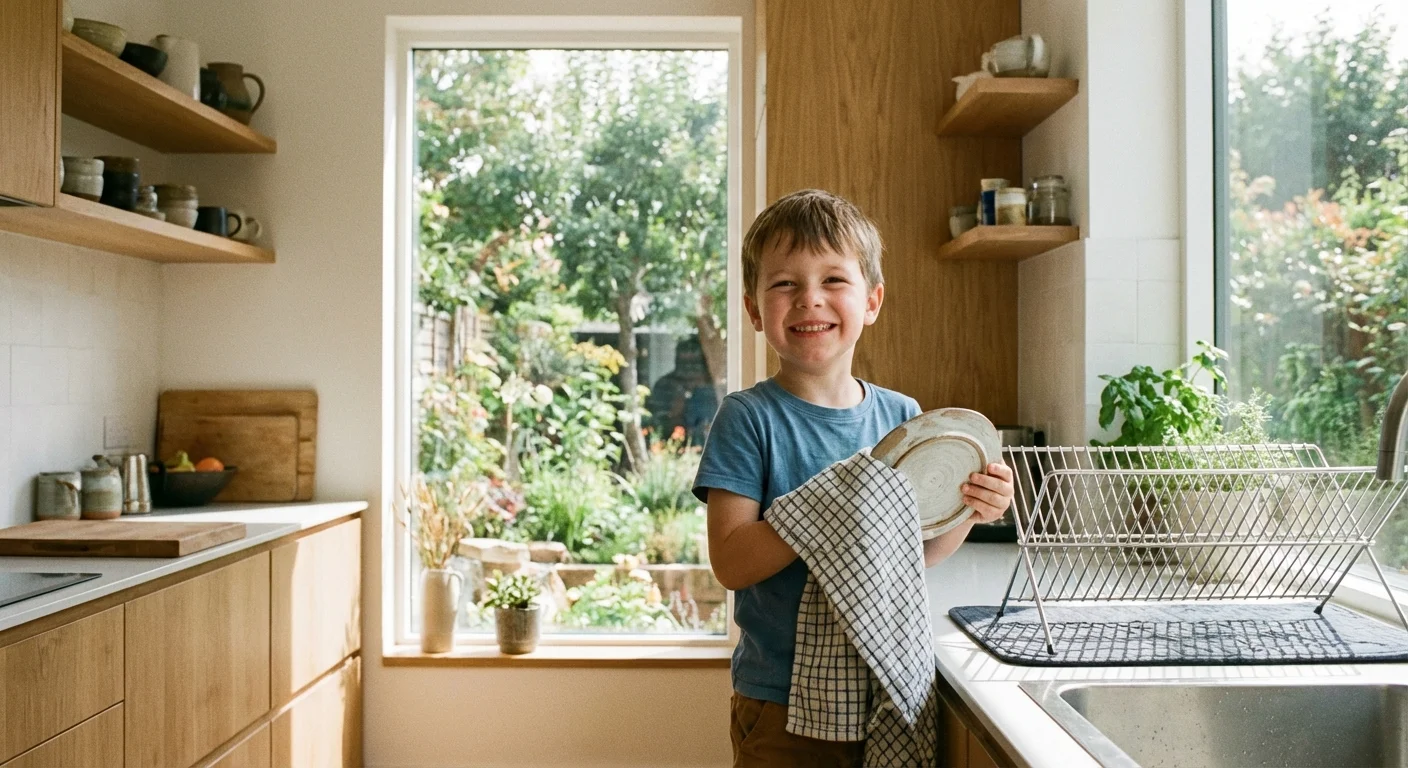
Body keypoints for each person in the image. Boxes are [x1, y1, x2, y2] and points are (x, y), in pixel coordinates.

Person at [691, 189, 1015, 767]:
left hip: (883, 689)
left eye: (834, 280)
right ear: (753, 309)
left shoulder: (902, 419)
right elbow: (732, 562)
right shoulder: (748, 418)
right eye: (785, 283)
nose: (809, 300)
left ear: (872, 300)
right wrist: (831, 506)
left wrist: (971, 507)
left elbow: (916, 550)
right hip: (782, 703)